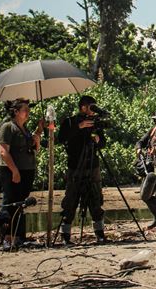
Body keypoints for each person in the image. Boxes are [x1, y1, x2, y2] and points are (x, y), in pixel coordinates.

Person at [57, 95, 108, 245]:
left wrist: (98, 140)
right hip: (75, 166)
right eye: (90, 107)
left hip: (92, 166)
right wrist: (79, 127)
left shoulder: (94, 123)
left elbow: (102, 142)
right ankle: (65, 235)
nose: (92, 111)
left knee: (95, 199)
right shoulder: (70, 122)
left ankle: (99, 234)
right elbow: (61, 138)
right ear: (83, 107)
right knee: (71, 199)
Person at [0, 98, 41, 250]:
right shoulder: (8, 127)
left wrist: (37, 136)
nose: (28, 113)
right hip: (12, 170)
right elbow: (3, 151)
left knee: (21, 203)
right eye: (25, 110)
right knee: (11, 203)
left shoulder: (25, 129)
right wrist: (14, 170)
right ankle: (7, 238)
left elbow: (33, 149)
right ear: (16, 111)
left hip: (27, 170)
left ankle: (18, 237)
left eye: (28, 110)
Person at [136, 108, 156, 230]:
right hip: (150, 168)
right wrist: (139, 148)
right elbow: (141, 141)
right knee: (145, 195)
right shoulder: (153, 130)